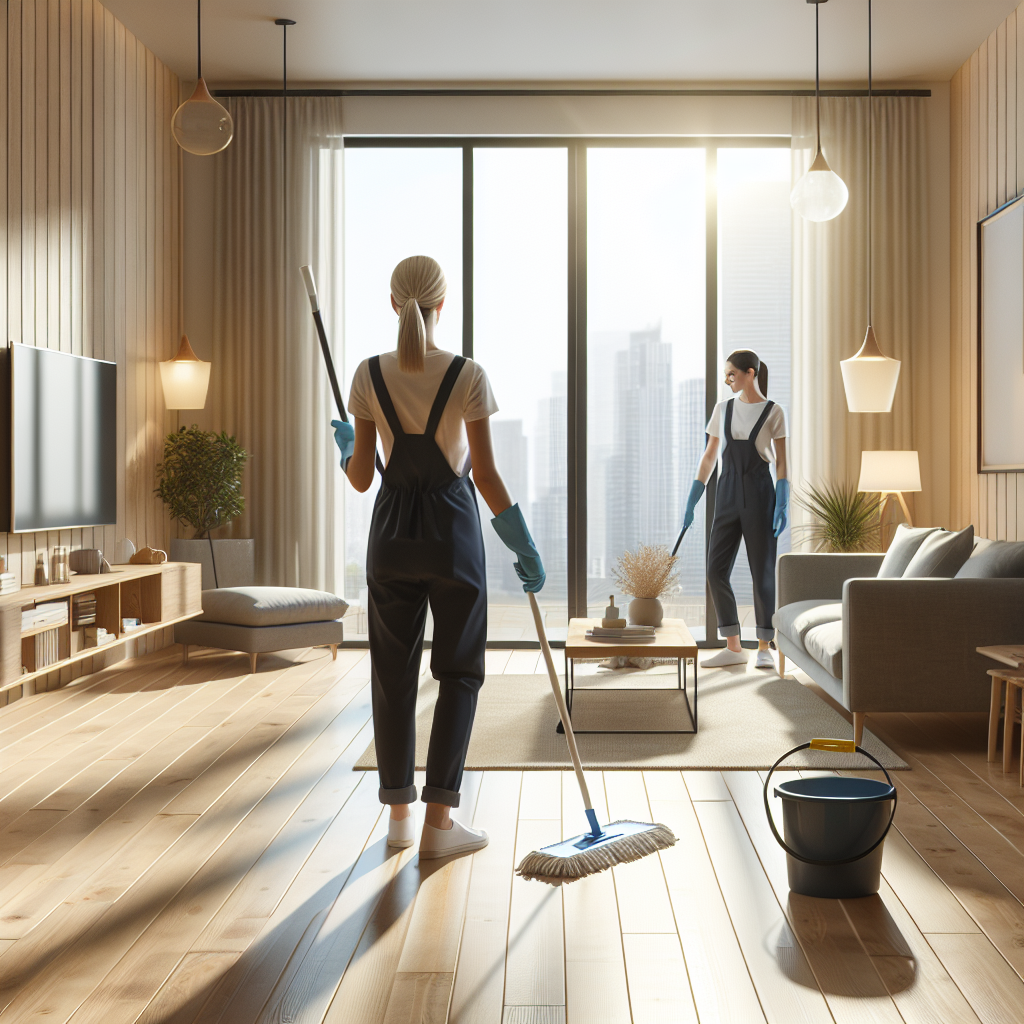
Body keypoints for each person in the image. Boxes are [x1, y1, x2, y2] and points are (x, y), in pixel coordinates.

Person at [332, 255, 545, 858]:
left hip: (392, 535)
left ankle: (398, 821)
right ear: (441, 305)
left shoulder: (367, 374)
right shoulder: (469, 375)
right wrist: (522, 544)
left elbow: (359, 480)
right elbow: (488, 476)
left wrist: (349, 448)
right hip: (453, 536)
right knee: (459, 674)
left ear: (392, 304)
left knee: (392, 674)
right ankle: (438, 827)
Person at [681, 349, 789, 670]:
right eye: (726, 374)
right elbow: (710, 455)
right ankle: (732, 645)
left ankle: (764, 647)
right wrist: (693, 496)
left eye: (732, 374)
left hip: (760, 495)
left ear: (750, 374)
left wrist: (782, 499)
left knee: (762, 572)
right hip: (727, 494)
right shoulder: (722, 409)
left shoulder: (774, 412)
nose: (728, 380)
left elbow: (781, 461)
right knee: (716, 570)